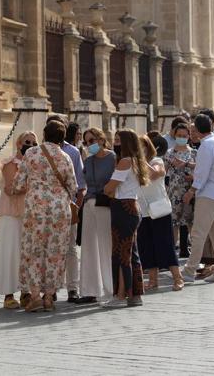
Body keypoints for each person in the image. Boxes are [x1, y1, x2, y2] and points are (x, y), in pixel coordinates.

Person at [13, 121, 76, 312]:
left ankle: (34, 296)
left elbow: (18, 184)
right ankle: (49, 297)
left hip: (36, 210)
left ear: (44, 134)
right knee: (55, 254)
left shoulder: (31, 153)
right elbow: (73, 187)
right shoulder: (65, 157)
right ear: (62, 137)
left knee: (33, 252)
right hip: (59, 211)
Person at [181, 114, 214, 284]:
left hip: (208, 194)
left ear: (199, 130)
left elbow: (202, 173)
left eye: (193, 130)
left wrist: (191, 191)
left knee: (198, 233)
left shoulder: (207, 146)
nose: (191, 133)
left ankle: (189, 270)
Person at [103, 129, 148, 307]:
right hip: (133, 206)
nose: (115, 142)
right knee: (131, 252)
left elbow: (109, 188)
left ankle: (121, 295)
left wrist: (108, 188)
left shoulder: (125, 161)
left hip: (122, 207)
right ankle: (135, 294)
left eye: (118, 140)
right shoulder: (137, 161)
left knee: (121, 253)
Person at [0, 131, 37, 309]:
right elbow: (11, 188)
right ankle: (8, 294)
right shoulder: (10, 164)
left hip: (29, 213)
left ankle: (26, 292)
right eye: (27, 142)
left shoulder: (36, 164)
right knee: (10, 253)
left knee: (27, 254)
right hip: (11, 215)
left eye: (34, 143)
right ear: (19, 144)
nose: (31, 145)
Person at [137, 135, 185, 292]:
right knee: (147, 245)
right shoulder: (132, 165)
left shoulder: (156, 161)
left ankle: (178, 278)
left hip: (159, 209)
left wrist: (141, 160)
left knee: (165, 244)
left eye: (141, 146)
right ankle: (152, 280)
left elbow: (155, 174)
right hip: (143, 210)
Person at [47, 115, 85, 303]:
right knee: (51, 249)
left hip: (68, 207)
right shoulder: (39, 152)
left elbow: (80, 184)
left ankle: (72, 288)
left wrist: (77, 205)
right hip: (47, 211)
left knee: (69, 249)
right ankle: (51, 288)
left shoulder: (73, 153)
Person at [77, 128, 116, 305]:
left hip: (105, 203)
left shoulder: (112, 158)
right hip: (89, 203)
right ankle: (89, 290)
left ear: (101, 139)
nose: (89, 144)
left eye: (92, 140)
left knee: (105, 246)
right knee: (88, 246)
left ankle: (110, 289)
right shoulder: (89, 160)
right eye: (86, 142)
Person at [163, 123, 196, 258]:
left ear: (188, 136)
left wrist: (191, 173)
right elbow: (163, 171)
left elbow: (201, 170)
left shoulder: (194, 152)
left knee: (189, 220)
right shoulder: (169, 153)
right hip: (173, 191)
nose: (181, 138)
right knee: (174, 221)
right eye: (179, 135)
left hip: (190, 190)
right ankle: (172, 251)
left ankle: (188, 248)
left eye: (184, 136)